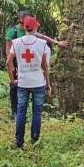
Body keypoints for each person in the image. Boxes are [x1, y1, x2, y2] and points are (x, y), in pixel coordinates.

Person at [5, 11, 67, 119]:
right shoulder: (12, 32)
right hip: (17, 61)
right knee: (14, 87)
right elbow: (8, 49)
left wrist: (57, 43)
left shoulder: (29, 30)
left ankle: (22, 114)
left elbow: (43, 37)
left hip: (29, 63)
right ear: (23, 20)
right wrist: (11, 65)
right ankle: (15, 111)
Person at [6, 16, 52, 149]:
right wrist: (48, 83)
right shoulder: (42, 44)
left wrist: (12, 79)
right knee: (37, 112)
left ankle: (19, 141)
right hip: (38, 83)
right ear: (35, 27)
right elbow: (44, 66)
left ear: (24, 27)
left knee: (21, 111)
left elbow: (8, 63)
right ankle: (35, 139)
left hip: (23, 83)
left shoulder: (16, 43)